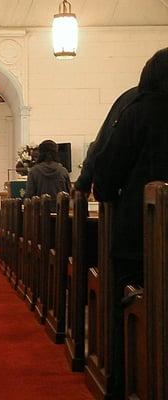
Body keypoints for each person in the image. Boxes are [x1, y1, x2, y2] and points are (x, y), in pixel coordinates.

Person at [92, 47, 168, 399]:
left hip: (140, 235)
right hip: (142, 232)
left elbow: (106, 179)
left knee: (129, 306)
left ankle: (127, 385)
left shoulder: (139, 112)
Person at [74, 87, 140, 194]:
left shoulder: (129, 99)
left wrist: (83, 184)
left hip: (131, 192)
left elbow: (100, 144)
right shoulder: (132, 99)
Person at [25, 140, 70, 211]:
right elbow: (68, 194)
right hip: (60, 214)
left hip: (39, 215)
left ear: (40, 153)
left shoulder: (33, 172)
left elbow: (29, 196)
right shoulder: (63, 171)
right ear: (56, 153)